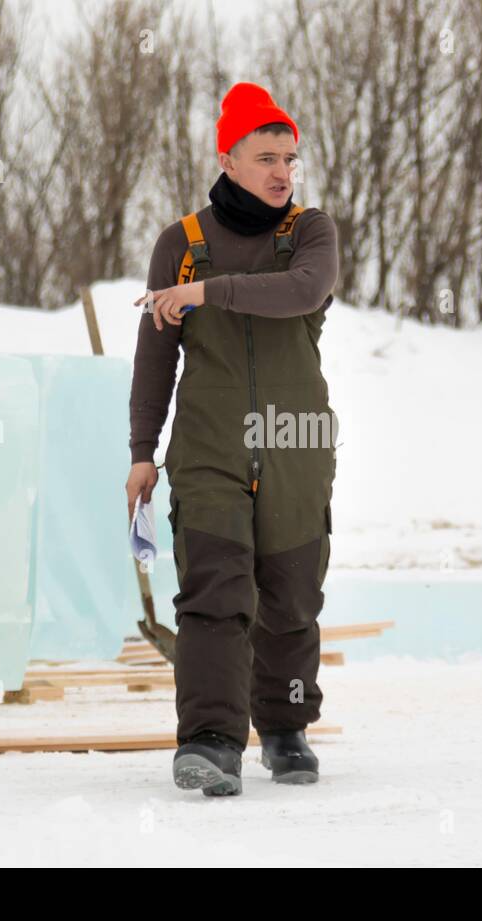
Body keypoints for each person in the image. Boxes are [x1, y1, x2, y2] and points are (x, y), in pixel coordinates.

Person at [127, 82, 340, 796]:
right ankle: (211, 740)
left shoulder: (309, 235)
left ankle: (284, 727)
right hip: (209, 446)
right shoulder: (182, 246)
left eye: (290, 157)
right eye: (266, 156)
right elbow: (155, 356)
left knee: (290, 594)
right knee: (214, 589)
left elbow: (302, 293)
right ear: (228, 157)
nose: (283, 172)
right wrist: (139, 454)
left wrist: (208, 294)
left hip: (296, 441)